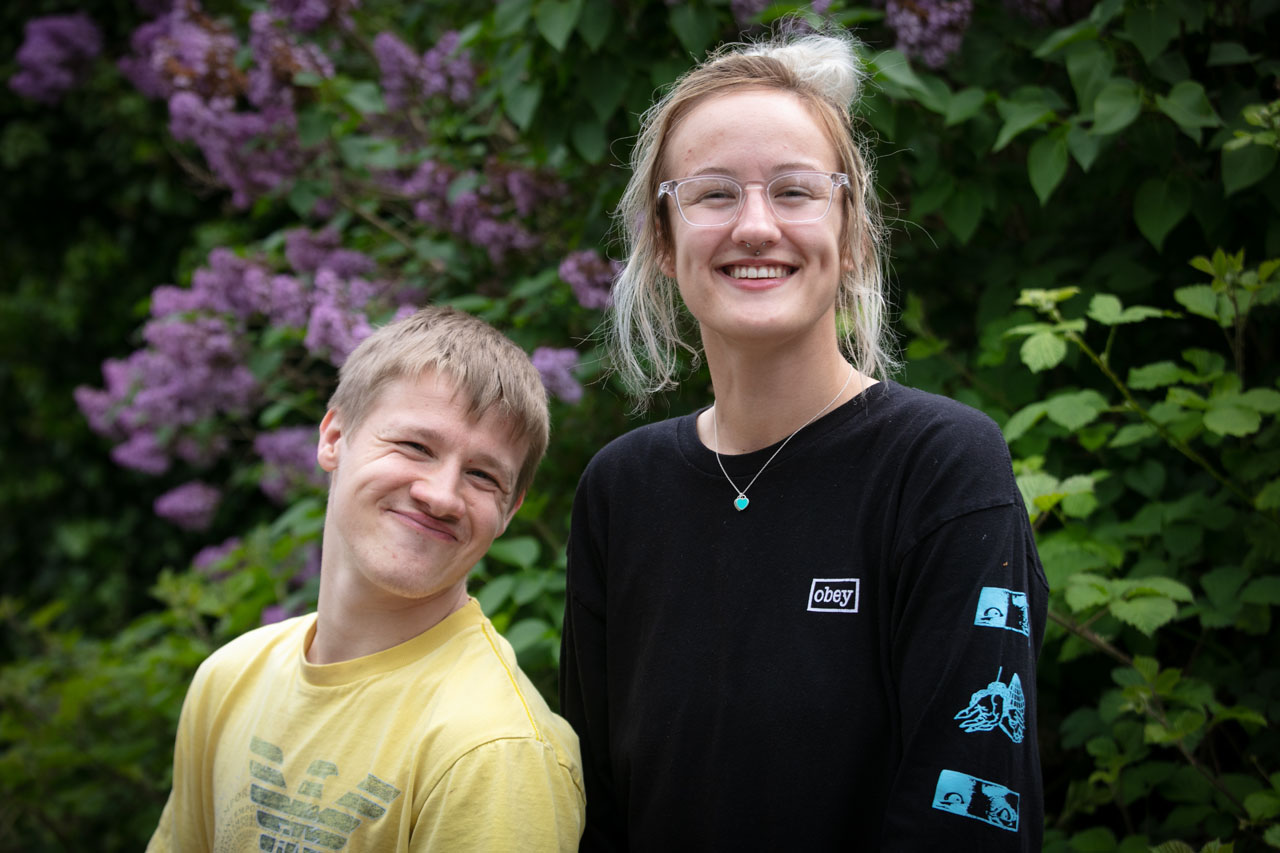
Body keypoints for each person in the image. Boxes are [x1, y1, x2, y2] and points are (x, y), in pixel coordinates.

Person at [559, 27, 1047, 851]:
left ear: (852, 236)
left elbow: (969, 812)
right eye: (715, 194)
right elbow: (596, 811)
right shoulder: (621, 490)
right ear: (664, 242)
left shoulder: (940, 466)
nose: (756, 226)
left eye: (794, 191)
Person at [149, 306, 585, 851]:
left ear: (509, 512)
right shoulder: (228, 679)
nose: (441, 496)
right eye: (416, 447)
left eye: (482, 475)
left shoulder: (495, 752)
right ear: (334, 436)